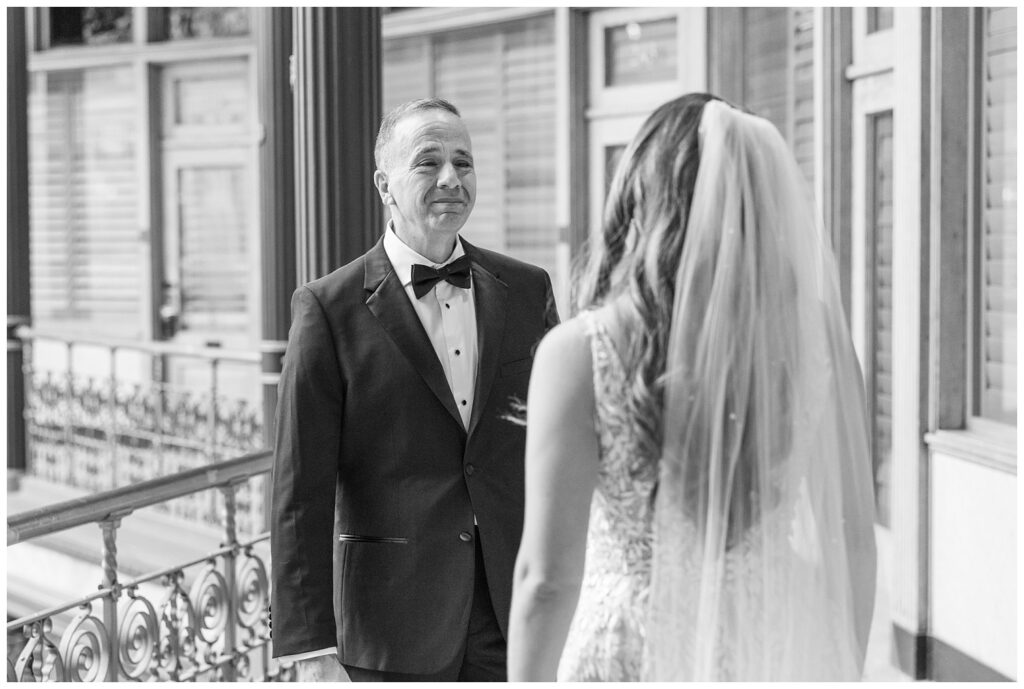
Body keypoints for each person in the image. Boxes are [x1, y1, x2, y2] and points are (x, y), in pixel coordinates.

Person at [507, 93, 877, 681]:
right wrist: (842, 665)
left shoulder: (579, 351)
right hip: (770, 637)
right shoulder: (817, 336)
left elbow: (547, 580)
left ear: (639, 199)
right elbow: (853, 541)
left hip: (633, 648)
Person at [270, 97, 559, 682]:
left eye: (463, 162)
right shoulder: (326, 309)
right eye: (428, 163)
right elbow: (299, 489)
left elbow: (558, 443)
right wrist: (310, 650)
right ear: (385, 184)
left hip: (515, 608)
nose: (451, 179)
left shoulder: (528, 290)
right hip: (391, 624)